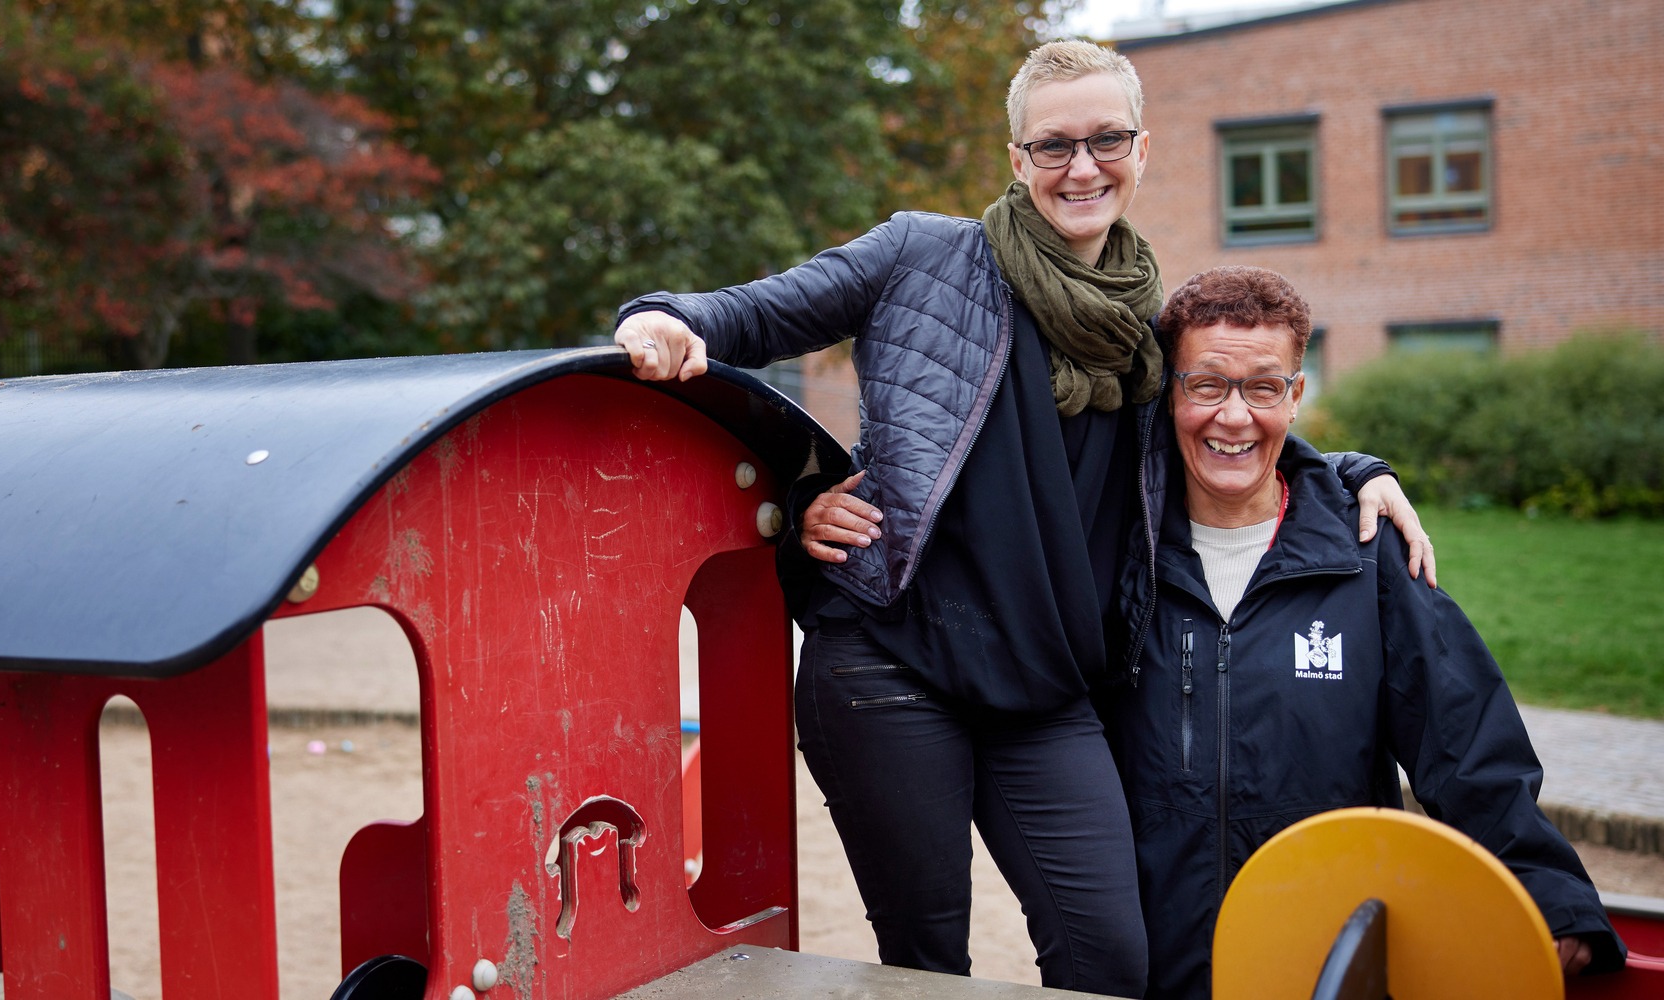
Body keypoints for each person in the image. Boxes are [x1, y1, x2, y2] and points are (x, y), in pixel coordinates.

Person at [613, 40, 1436, 995]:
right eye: (1054, 146)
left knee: (1111, 959)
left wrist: (1354, 471)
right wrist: (665, 319)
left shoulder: (1147, 327)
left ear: (1141, 149)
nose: (1082, 167)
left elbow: (1226, 423)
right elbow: (750, 318)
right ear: (1017, 158)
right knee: (929, 962)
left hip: (1047, 688)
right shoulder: (920, 255)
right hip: (893, 663)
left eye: (1106, 140)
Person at [1097, 265, 1626, 999]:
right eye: (1207, 385)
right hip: (1145, 966)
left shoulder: (1366, 552)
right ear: (1171, 390)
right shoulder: (1116, 550)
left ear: (1297, 394)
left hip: (1322, 962)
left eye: (1263, 387)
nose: (1234, 417)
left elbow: (1465, 740)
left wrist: (1549, 893)